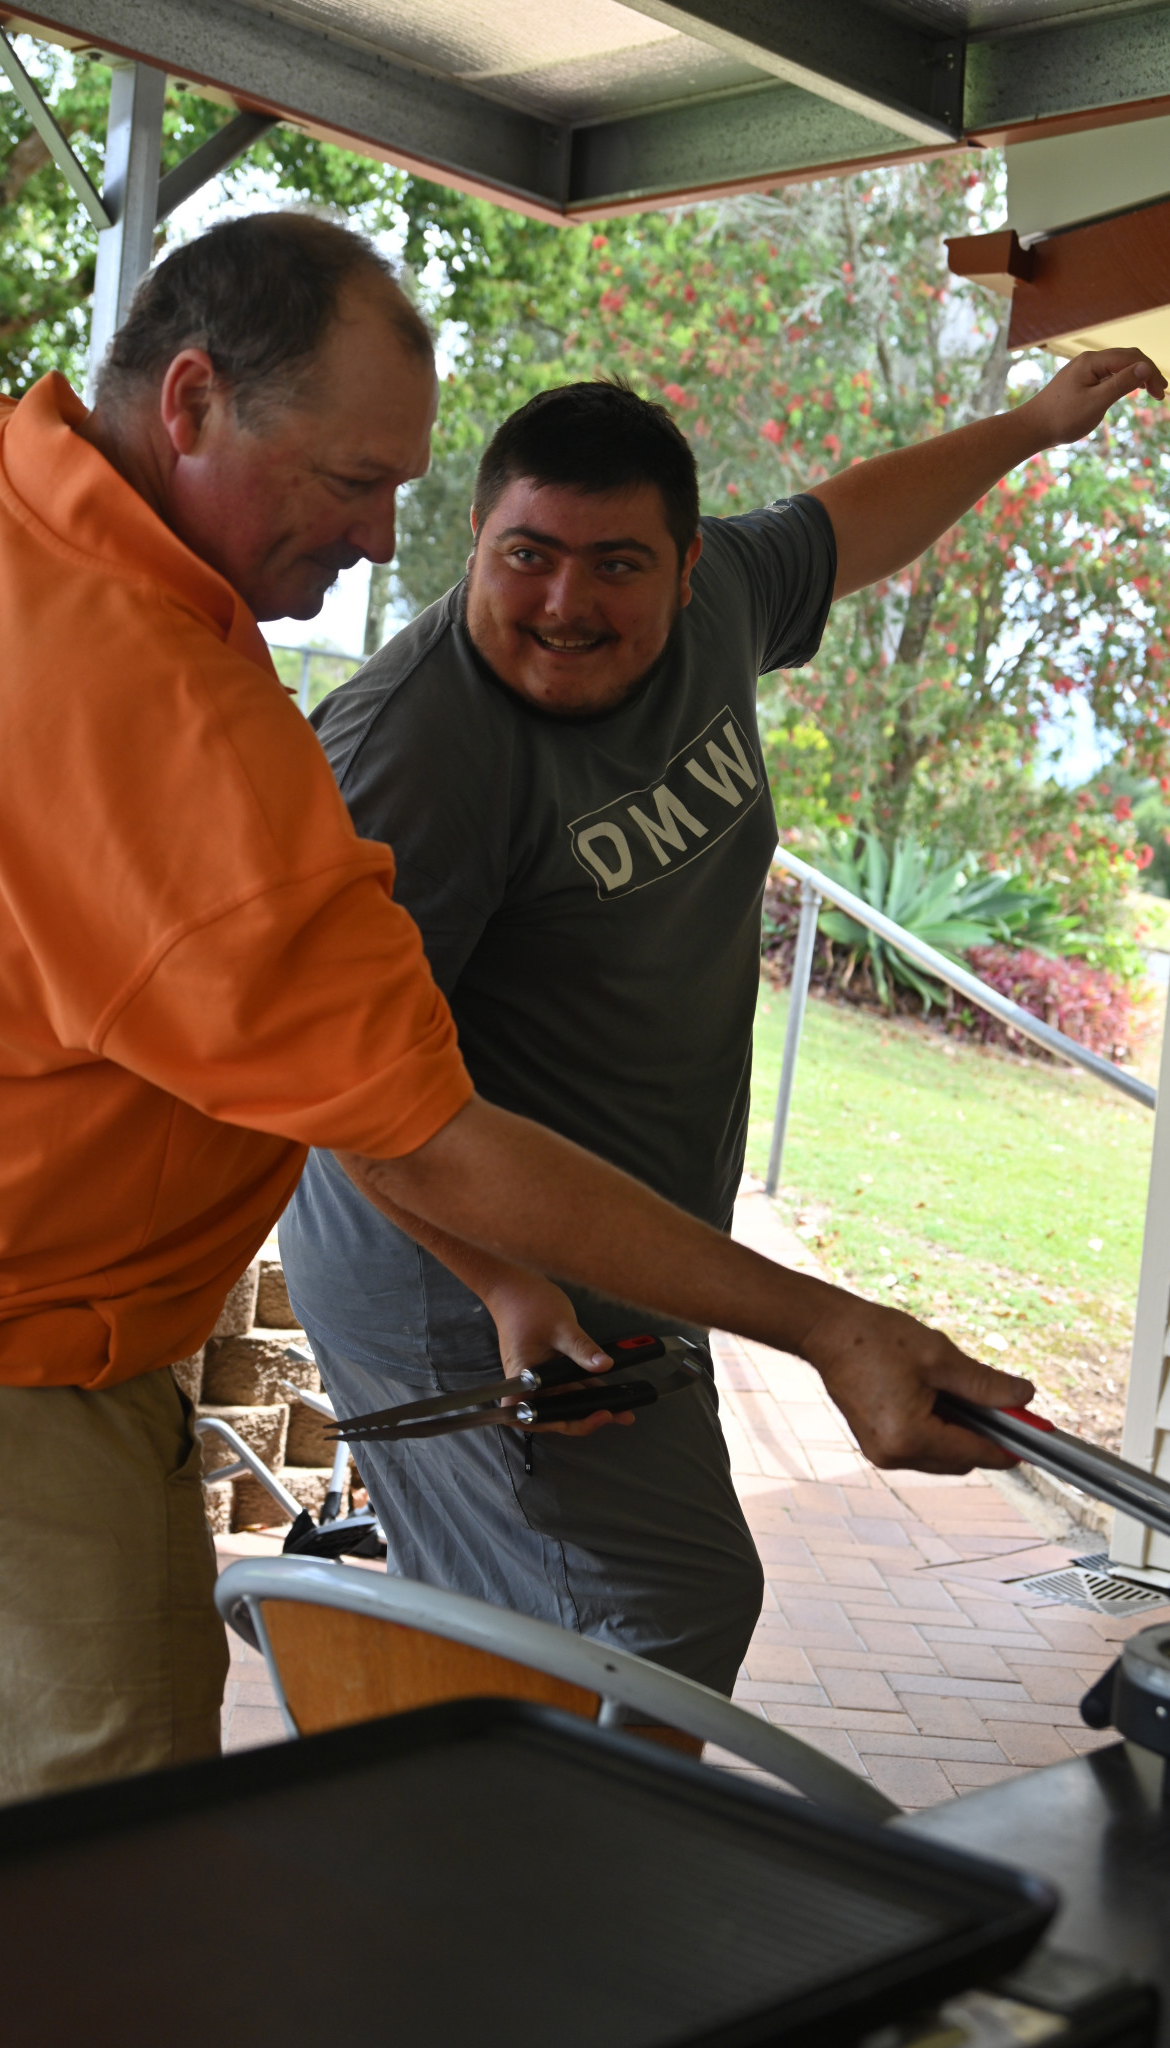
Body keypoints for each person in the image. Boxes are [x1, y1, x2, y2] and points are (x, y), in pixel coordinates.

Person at [0, 207, 1041, 1849]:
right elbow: (427, 1137)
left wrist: (1032, 424)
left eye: (400, 486)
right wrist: (824, 1325)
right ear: (189, 403)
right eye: (350, 484)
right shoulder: (197, 747)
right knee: (100, 1881)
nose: (385, 541)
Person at [280, 355, 1163, 1693]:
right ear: (476, 541)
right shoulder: (409, 755)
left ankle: (498, 1882)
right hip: (461, 1264)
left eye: (616, 565)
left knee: (567, 1625)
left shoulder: (719, 611)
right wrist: (508, 1285)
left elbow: (841, 522)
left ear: (688, 568)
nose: (565, 603)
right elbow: (345, 1096)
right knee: (646, 1613)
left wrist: (1033, 427)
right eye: (526, 555)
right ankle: (564, 1894)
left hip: (631, 1234)